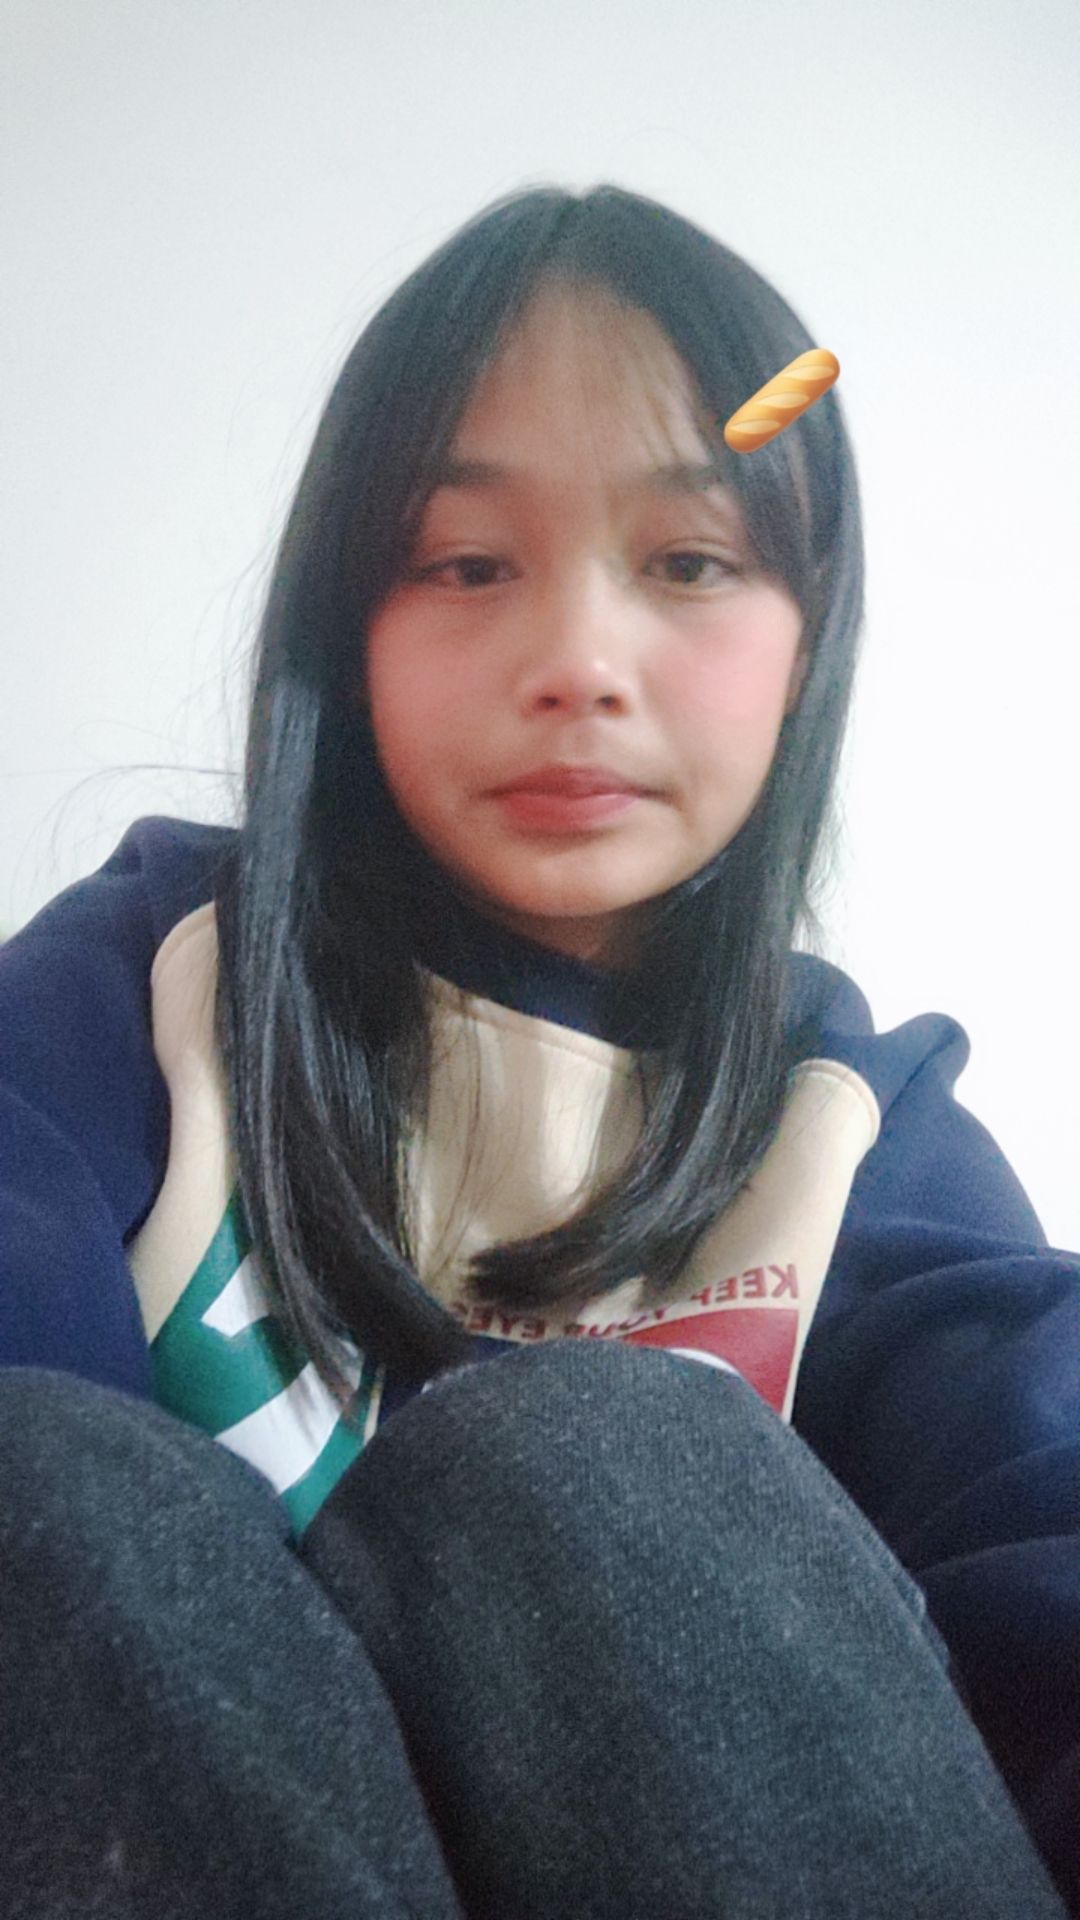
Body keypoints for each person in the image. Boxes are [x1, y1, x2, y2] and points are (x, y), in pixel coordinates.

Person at [0, 183, 1075, 1919]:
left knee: (592, 1456)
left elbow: (1043, 1524)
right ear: (346, 631)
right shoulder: (154, 981)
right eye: (466, 564)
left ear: (807, 641)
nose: (577, 660)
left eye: (693, 562)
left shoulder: (851, 1123)